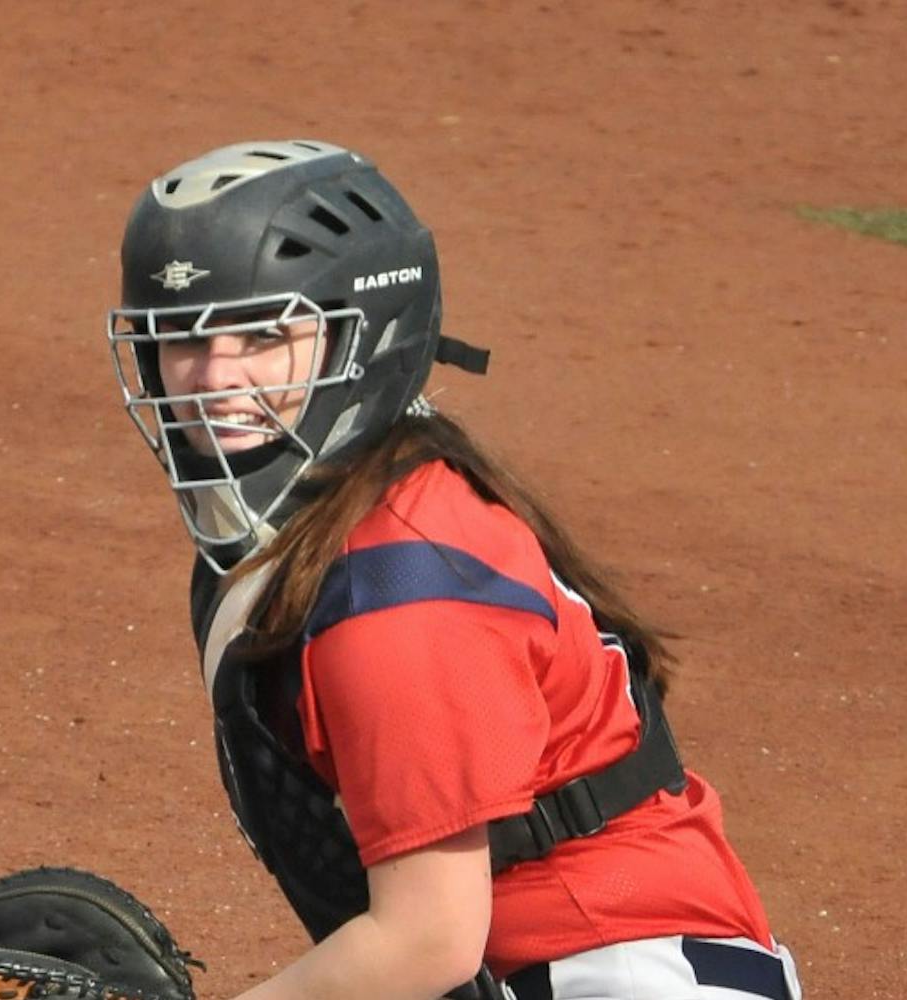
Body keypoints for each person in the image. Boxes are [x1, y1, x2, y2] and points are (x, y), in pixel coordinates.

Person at [105, 139, 802, 1000]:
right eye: (183, 338)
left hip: (616, 975)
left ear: (361, 344)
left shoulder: (398, 593)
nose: (215, 380)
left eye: (263, 336)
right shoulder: (305, 531)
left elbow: (427, 941)